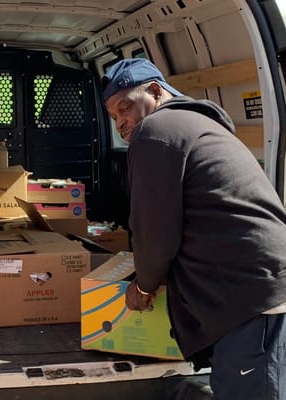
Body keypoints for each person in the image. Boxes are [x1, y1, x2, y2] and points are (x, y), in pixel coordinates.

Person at [101, 57, 286, 400]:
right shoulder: (194, 123)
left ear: (155, 92)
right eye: (113, 117)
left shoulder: (155, 132)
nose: (121, 123)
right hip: (256, 282)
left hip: (248, 292)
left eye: (125, 108)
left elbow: (154, 229)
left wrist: (143, 286)